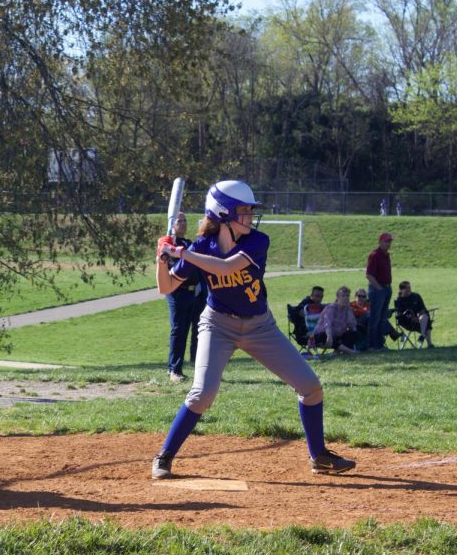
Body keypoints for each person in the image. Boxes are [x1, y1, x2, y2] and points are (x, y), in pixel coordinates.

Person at [152, 180, 355, 479]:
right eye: (243, 211)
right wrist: (161, 258)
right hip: (217, 324)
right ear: (222, 214)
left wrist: (181, 254)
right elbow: (165, 286)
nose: (250, 217)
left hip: (260, 326)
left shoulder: (256, 242)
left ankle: (319, 457)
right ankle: (164, 457)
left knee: (310, 387)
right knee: (202, 394)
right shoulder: (200, 247)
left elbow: (225, 268)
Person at [162, 211, 206, 382]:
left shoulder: (188, 243)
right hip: (177, 293)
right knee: (179, 331)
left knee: (198, 331)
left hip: (194, 293)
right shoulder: (168, 244)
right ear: (172, 224)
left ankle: (198, 367)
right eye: (179, 221)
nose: (183, 223)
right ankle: (174, 369)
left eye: (185, 220)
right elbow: (174, 266)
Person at [366, 232, 394, 350]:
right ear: (380, 242)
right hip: (378, 289)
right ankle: (372, 345)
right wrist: (379, 288)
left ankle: (380, 344)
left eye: (389, 241)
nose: (388, 244)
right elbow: (369, 275)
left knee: (383, 318)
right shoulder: (374, 255)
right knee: (375, 318)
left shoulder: (386, 255)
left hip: (387, 288)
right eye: (386, 241)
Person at [312, 287, 359, 354]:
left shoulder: (347, 309)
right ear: (338, 297)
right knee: (324, 336)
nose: (345, 298)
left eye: (347, 296)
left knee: (354, 334)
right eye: (343, 296)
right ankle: (350, 351)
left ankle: (337, 351)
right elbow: (327, 324)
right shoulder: (331, 308)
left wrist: (348, 310)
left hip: (338, 335)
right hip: (324, 334)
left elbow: (352, 326)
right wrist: (329, 336)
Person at [394, 281, 435, 348]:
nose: (409, 289)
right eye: (407, 288)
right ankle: (429, 343)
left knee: (425, 316)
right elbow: (400, 315)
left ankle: (423, 336)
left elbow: (422, 309)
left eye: (410, 287)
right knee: (426, 323)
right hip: (407, 322)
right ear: (402, 290)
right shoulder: (399, 300)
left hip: (419, 320)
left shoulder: (416, 296)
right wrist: (411, 318)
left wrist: (418, 317)